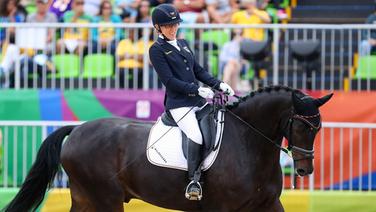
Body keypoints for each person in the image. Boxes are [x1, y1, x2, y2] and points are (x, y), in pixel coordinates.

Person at [149, 4, 234, 200]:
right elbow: (169, 81)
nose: (173, 28)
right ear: (158, 27)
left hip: (197, 100)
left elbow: (199, 71)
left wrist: (219, 84)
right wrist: (196, 89)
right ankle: (194, 180)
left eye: (175, 24)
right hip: (179, 104)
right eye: (167, 26)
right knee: (196, 135)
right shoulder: (157, 50)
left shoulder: (184, 43)